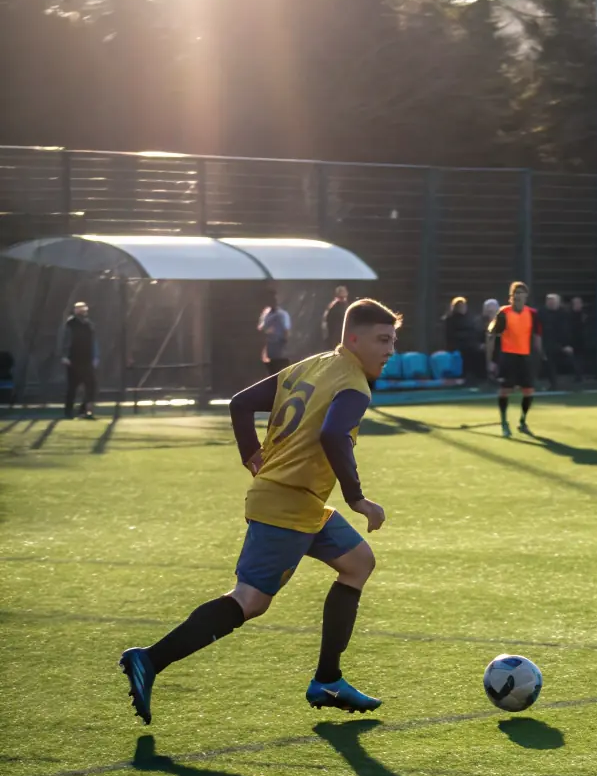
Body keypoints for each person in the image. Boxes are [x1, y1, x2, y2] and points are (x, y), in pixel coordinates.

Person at [117, 299, 401, 725]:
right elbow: (334, 434)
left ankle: (327, 679)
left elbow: (239, 403)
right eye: (382, 340)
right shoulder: (354, 384)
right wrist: (358, 498)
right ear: (353, 339)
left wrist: (251, 454)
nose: (390, 350)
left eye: (393, 341)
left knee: (358, 562)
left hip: (298, 500)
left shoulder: (312, 365)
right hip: (287, 503)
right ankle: (150, 659)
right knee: (249, 600)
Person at [486, 282, 543, 437]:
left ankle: (523, 421)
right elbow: (492, 334)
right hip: (508, 356)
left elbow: (537, 336)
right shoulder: (504, 312)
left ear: (526, 296)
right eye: (516, 293)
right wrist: (490, 360)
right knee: (505, 390)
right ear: (511, 296)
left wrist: (539, 355)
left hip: (525, 357)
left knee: (529, 391)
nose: (518, 296)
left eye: (521, 293)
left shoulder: (532, 314)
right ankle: (504, 422)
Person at [61, 300, 99, 419]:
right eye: (80, 309)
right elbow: (65, 340)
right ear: (75, 310)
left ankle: (85, 411)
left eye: (84, 309)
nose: (82, 311)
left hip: (87, 359)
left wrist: (95, 356)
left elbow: (93, 342)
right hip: (74, 359)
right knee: (72, 387)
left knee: (91, 385)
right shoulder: (70, 323)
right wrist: (64, 356)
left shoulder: (88, 324)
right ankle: (68, 412)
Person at [442, 296, 481, 384]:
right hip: (458, 346)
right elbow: (451, 335)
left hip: (470, 344)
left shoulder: (469, 319)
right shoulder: (450, 320)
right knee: (469, 352)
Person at [540, 293, 575, 390]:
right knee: (549, 359)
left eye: (554, 302)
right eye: (549, 302)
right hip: (548, 345)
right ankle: (553, 384)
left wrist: (567, 345)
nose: (551, 304)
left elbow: (567, 331)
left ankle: (576, 383)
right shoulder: (542, 314)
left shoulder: (564, 314)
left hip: (563, 344)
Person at [259, 293, 291, 374]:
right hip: (271, 353)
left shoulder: (282, 314)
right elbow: (261, 329)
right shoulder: (265, 314)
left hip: (280, 353)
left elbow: (286, 330)